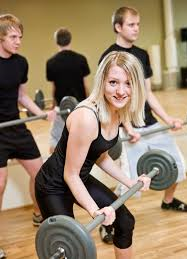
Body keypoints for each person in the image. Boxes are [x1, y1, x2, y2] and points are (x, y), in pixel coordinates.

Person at [35, 51, 151, 259]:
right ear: (102, 82)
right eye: (113, 82)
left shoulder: (117, 111)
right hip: (53, 185)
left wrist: (130, 180)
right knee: (69, 248)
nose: (121, 91)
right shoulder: (87, 117)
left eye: (128, 83)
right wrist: (94, 211)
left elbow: (101, 156)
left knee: (125, 221)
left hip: (79, 177)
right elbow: (70, 174)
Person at [98, 6, 187, 244]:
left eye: (138, 24)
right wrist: (126, 127)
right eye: (131, 24)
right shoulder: (109, 57)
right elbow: (109, 97)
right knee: (128, 184)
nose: (136, 29)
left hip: (148, 124)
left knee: (175, 166)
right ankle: (108, 221)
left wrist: (167, 118)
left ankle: (168, 201)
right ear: (118, 27)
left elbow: (148, 93)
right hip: (127, 129)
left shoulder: (142, 54)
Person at [0, 13, 56, 234]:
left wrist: (41, 114)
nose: (18, 41)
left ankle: (38, 214)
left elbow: (21, 96)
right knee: (0, 184)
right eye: (13, 37)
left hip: (16, 127)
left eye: (20, 37)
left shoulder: (21, 63)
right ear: (1, 38)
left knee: (41, 175)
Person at [46, 27, 90, 153]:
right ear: (70, 40)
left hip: (62, 108)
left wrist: (53, 107)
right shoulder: (81, 59)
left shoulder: (51, 63)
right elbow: (85, 85)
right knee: (82, 140)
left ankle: (59, 166)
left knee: (55, 142)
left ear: (56, 41)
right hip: (80, 106)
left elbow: (54, 88)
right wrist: (88, 103)